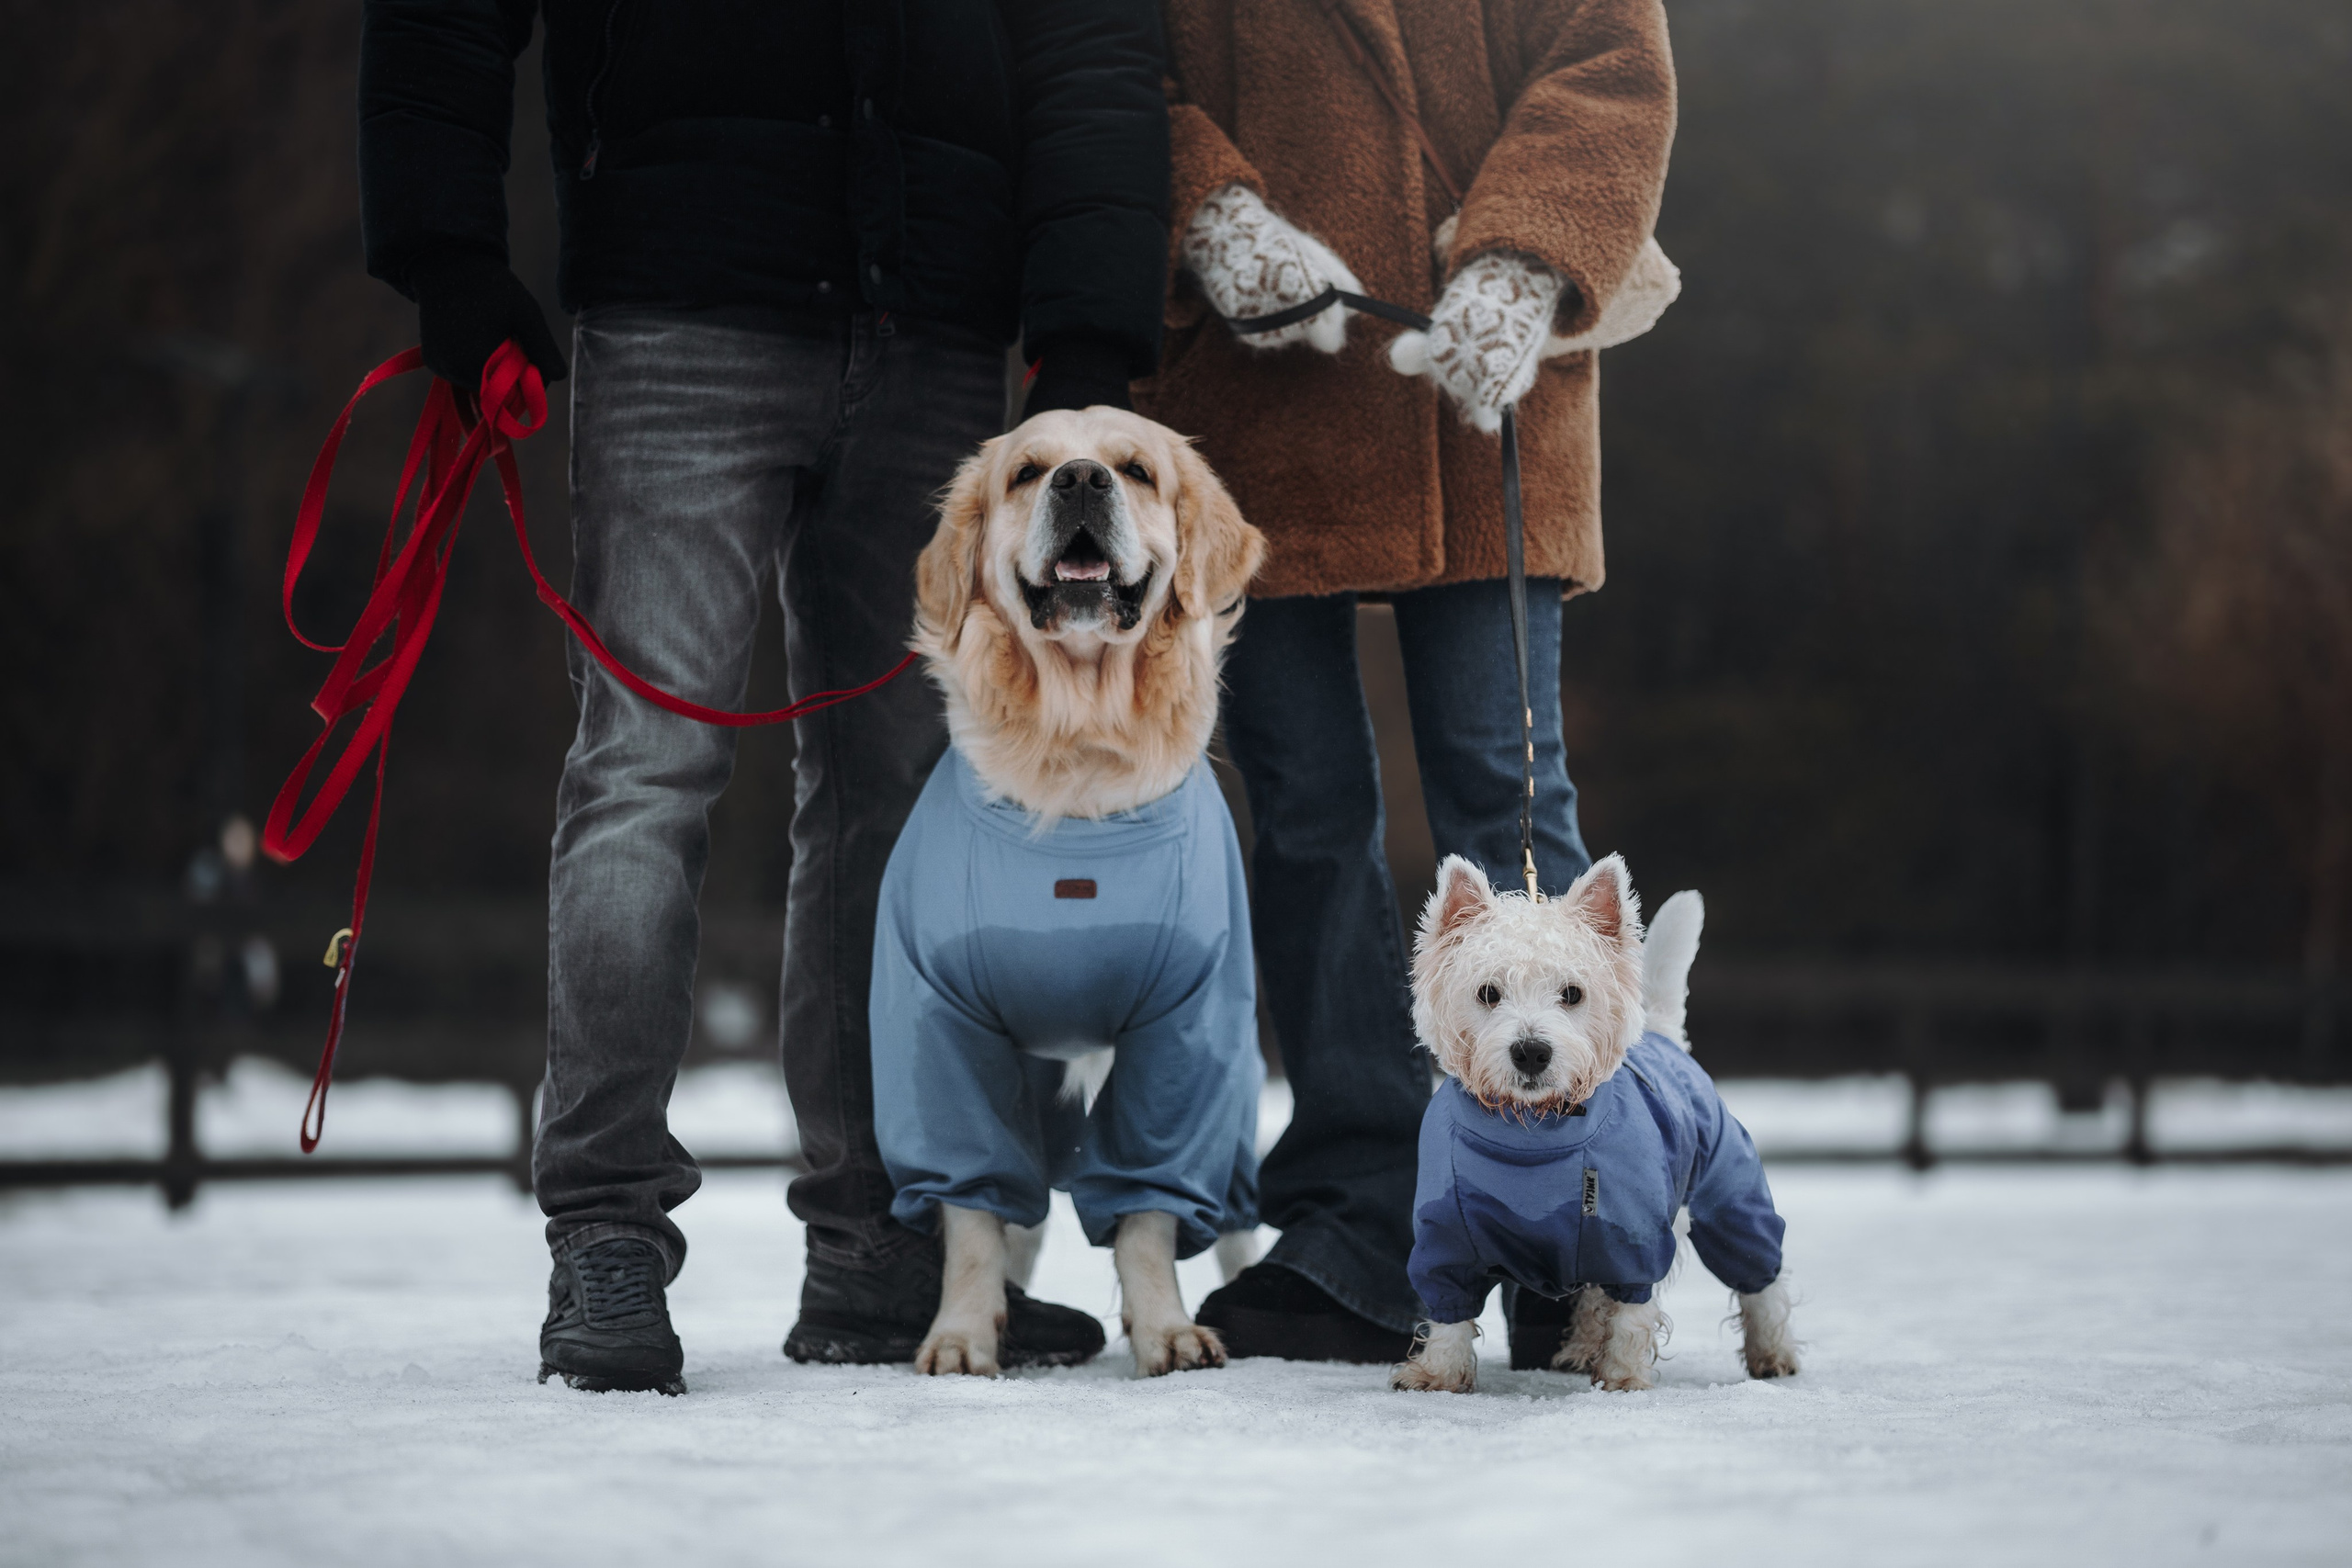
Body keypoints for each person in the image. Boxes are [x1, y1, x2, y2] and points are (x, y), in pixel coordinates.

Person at [356, 0, 1171, 1393]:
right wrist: (449, 254)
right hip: (680, 297)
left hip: (936, 317)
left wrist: (1089, 324)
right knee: (643, 771)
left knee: (902, 806)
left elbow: (1090, 38)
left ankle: (878, 1246)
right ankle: (605, 1234)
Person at [1140, 0, 1679, 1360]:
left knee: (1507, 792)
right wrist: (1211, 212)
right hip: (1253, 401)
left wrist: (1525, 258)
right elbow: (1109, 63)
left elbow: (1609, 58)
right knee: (1305, 808)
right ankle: (1358, 1219)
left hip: (1488, 389)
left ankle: (1575, 1210)